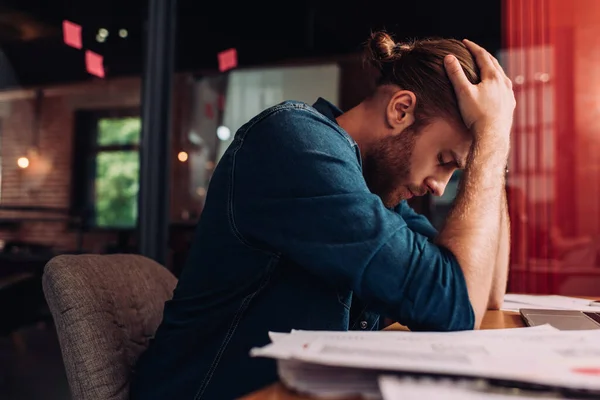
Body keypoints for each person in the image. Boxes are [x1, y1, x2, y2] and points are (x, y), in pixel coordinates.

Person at [130, 32, 515, 399]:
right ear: (401, 110)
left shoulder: (373, 190)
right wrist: (491, 139)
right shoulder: (294, 143)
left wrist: (490, 148)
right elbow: (457, 304)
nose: (439, 187)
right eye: (445, 160)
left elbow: (485, 294)